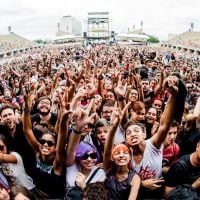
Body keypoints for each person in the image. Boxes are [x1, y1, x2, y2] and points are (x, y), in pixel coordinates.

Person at [125, 76, 185, 199]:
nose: (133, 134)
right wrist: (140, 183)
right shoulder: (125, 153)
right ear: (126, 140)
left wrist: (172, 95)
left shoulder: (153, 145)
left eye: (136, 131)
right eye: (129, 133)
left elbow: (164, 125)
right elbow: (120, 177)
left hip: (156, 194)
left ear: (144, 134)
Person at [23, 90, 68, 199]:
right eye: (42, 141)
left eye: (50, 143)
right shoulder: (38, 150)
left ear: (55, 147)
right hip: (36, 194)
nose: (45, 145)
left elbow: (62, 134)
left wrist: (63, 116)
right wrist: (27, 108)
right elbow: (27, 130)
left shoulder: (57, 161)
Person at [66, 108, 106, 200]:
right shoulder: (72, 166)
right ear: (79, 157)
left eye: (93, 156)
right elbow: (71, 150)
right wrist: (78, 128)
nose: (89, 159)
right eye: (84, 156)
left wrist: (84, 186)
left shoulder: (100, 174)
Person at [103, 103, 141, 200]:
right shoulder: (108, 169)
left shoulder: (135, 178)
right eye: (117, 153)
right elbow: (107, 151)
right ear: (112, 157)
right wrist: (113, 127)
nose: (121, 155)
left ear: (130, 157)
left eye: (125, 153)